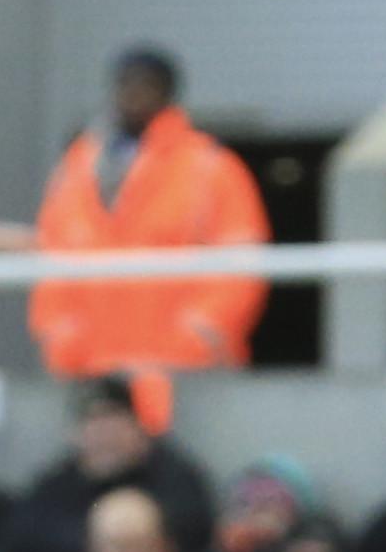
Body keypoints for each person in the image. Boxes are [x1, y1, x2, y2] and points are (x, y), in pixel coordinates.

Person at [24, 47, 269, 410]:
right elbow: (51, 261)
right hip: (90, 374)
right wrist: (60, 337)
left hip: (186, 378)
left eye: (146, 86)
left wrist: (198, 336)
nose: (133, 96)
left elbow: (241, 265)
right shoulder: (76, 169)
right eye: (125, 84)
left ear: (169, 94)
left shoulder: (210, 168)